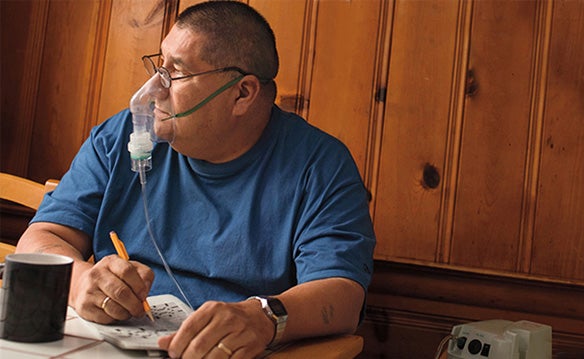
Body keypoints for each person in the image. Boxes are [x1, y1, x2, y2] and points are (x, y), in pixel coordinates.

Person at [15, 1, 375, 358]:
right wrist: (81, 283)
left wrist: (262, 317)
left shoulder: (319, 165)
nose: (153, 88)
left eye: (176, 73)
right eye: (159, 66)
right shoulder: (120, 137)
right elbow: (43, 236)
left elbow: (342, 295)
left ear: (242, 93)